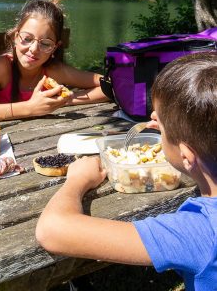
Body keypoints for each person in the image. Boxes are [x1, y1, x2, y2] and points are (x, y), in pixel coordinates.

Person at [36, 52, 217, 290]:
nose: (151, 119)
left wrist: (77, 180)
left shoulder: (198, 234)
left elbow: (52, 231)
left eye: (159, 125)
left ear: (186, 156)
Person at [0, 0, 108, 122]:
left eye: (45, 44)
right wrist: (29, 108)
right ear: (16, 37)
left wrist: (65, 100)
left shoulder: (54, 71)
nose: (33, 49)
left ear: (55, 48)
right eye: (27, 39)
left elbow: (110, 85)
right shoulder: (2, 67)